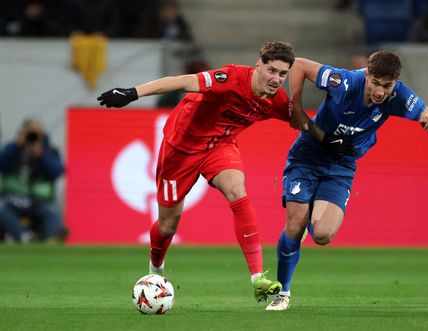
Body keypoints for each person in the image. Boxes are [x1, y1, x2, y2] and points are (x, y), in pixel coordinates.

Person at [97, 41, 338, 303]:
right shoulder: (230, 78)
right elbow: (181, 81)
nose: (276, 79)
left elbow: (300, 120)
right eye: (271, 71)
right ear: (258, 66)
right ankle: (155, 271)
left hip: (219, 146)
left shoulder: (276, 100)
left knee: (237, 190)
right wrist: (132, 92)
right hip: (181, 147)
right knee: (167, 225)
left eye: (282, 74)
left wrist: (326, 139)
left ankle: (257, 278)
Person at [265, 51, 428, 311]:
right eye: (375, 82)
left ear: (395, 83)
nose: (379, 91)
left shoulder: (400, 96)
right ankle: (282, 292)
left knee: (323, 234)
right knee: (295, 226)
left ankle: (309, 217)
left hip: (341, 165)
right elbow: (299, 65)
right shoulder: (345, 81)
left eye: (387, 86)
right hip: (308, 156)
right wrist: (295, 106)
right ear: (367, 75)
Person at [0, 119, 65, 243]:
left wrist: (40, 154)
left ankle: (52, 239)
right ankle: (25, 236)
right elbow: (1, 163)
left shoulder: (49, 151)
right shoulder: (13, 148)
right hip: (13, 198)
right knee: (1, 207)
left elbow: (57, 171)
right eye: (30, 132)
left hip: (39, 200)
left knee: (51, 211)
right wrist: (16, 145)